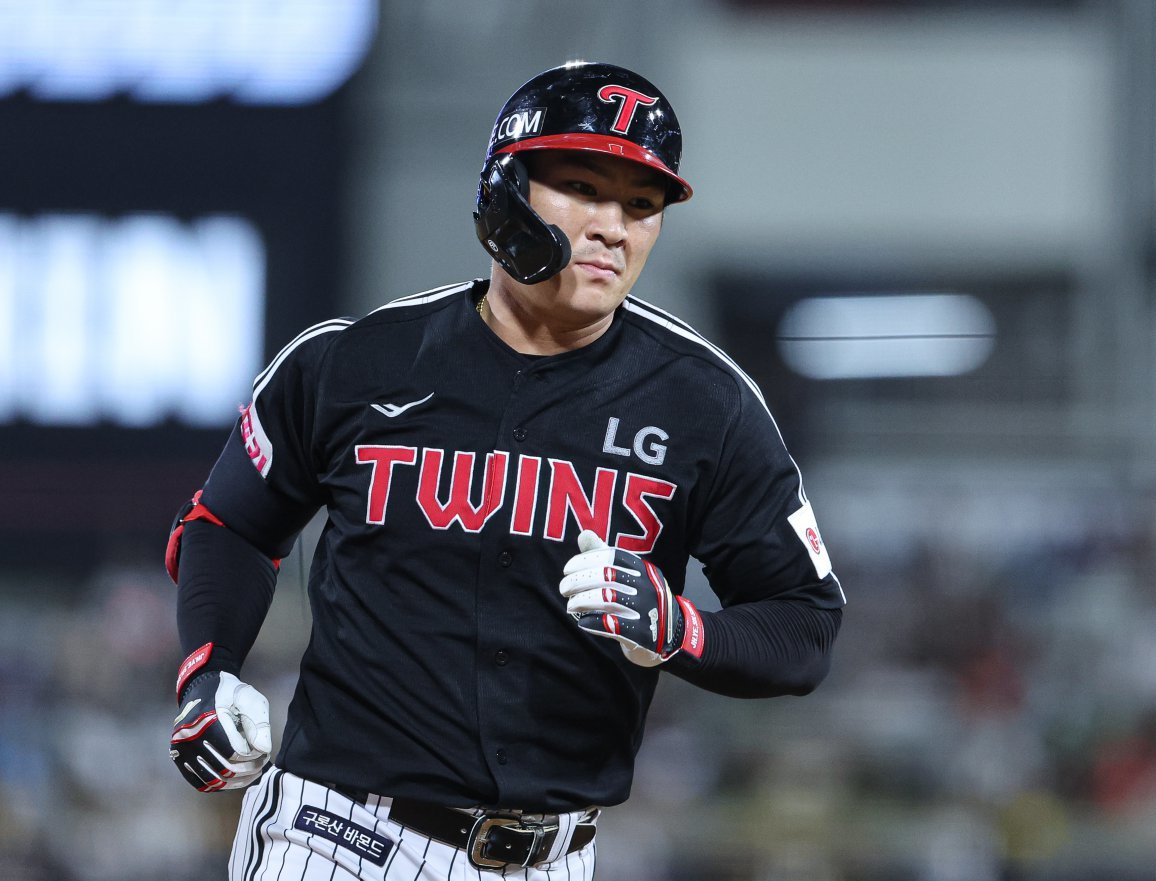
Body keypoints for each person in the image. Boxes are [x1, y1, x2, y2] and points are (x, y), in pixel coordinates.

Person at [165, 60, 845, 881]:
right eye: (582, 187)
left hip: (552, 857)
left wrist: (682, 629)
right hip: (333, 837)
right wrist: (209, 669)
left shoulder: (708, 404)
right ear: (503, 192)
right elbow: (229, 523)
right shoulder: (353, 362)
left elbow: (804, 625)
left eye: (640, 205)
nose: (612, 227)